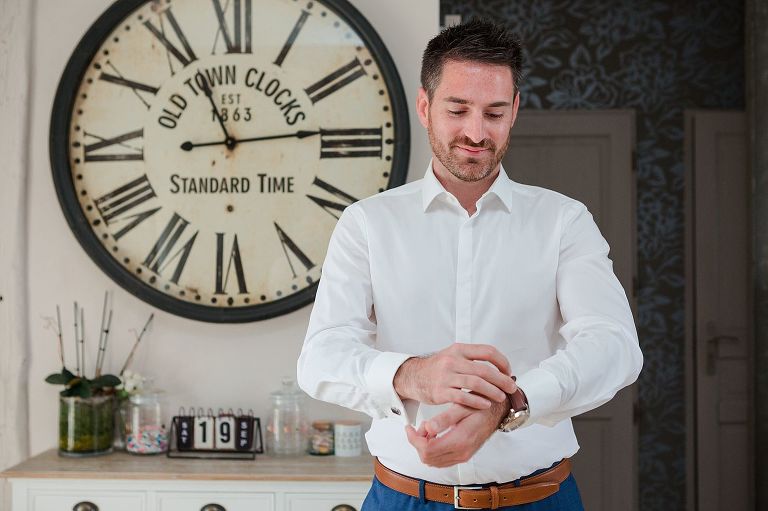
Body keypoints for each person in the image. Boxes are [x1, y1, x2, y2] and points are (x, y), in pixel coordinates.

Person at [297, 18, 643, 510]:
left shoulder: (564, 221)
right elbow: (321, 358)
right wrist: (413, 375)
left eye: (494, 113)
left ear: (515, 111)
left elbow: (615, 346)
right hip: (403, 500)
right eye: (457, 109)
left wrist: (513, 401)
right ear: (425, 107)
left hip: (538, 499)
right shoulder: (366, 224)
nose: (476, 133)